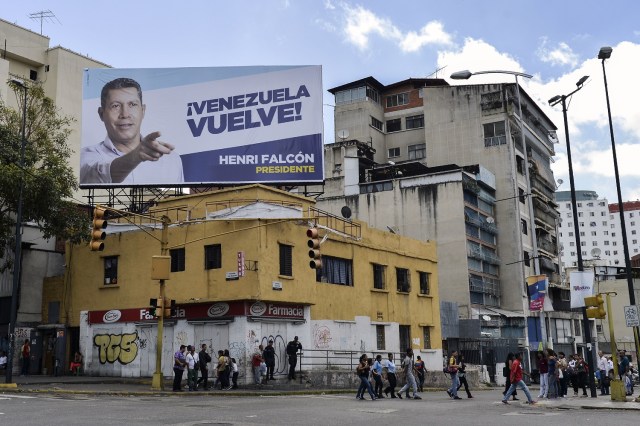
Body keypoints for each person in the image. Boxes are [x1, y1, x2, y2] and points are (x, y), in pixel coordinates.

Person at [80, 77, 184, 185]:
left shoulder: (172, 160)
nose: (125, 114)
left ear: (143, 111)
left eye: (132, 105)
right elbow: (102, 174)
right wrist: (136, 155)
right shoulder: (85, 156)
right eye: (115, 106)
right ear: (101, 114)